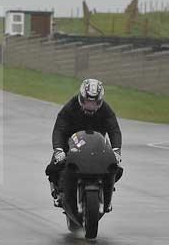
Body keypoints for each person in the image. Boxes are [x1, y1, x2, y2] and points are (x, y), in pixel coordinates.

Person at [45, 78, 122, 211]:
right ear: (81, 98)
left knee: (116, 167)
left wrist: (116, 150)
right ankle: (58, 193)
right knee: (53, 166)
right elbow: (59, 128)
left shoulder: (105, 109)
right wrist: (58, 150)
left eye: (94, 103)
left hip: (97, 144)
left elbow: (114, 129)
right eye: (87, 102)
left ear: (100, 101)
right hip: (72, 142)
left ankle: (107, 196)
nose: (90, 106)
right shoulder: (71, 106)